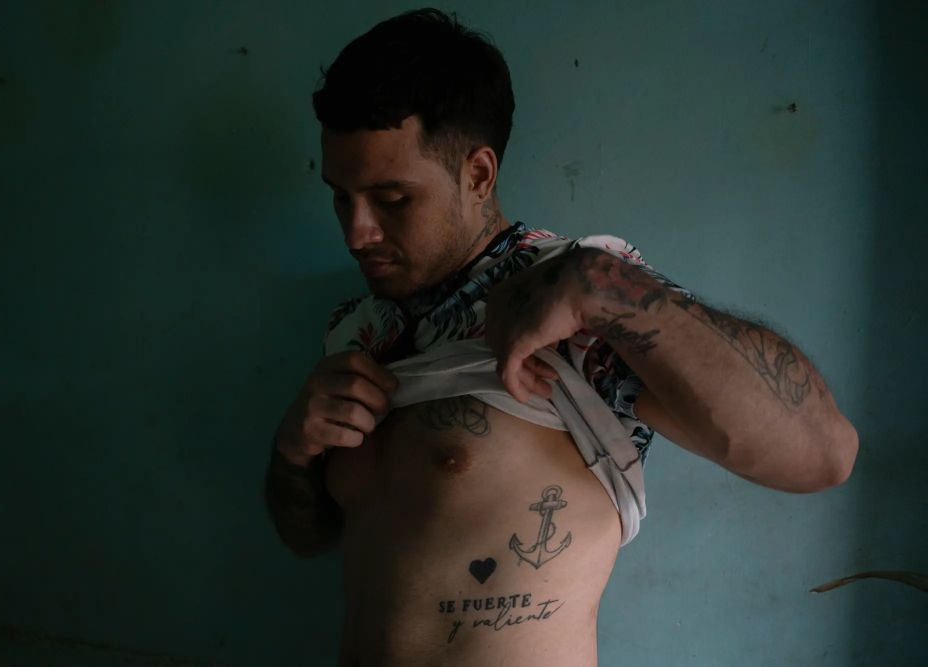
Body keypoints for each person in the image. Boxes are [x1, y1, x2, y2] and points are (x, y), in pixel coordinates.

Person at [264, 8, 859, 666]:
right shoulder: (357, 327)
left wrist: (604, 287)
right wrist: (292, 452)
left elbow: (824, 454)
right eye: (340, 197)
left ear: (478, 175)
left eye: (392, 199)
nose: (357, 233)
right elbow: (312, 536)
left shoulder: (574, 301)